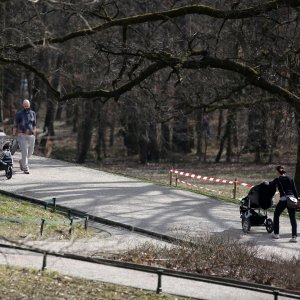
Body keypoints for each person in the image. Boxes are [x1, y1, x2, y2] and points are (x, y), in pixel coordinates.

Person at [269, 165, 298, 242]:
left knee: (276, 214)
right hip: (291, 199)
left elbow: (270, 185)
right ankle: (294, 236)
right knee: (292, 218)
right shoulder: (290, 178)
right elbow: (294, 190)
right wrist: (297, 200)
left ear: (278, 171)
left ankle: (276, 234)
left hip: (283, 200)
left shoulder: (277, 179)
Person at [12, 99, 36, 174]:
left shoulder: (33, 113)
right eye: (25, 106)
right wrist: (13, 135)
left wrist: (34, 133)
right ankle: (25, 168)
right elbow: (15, 125)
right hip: (22, 135)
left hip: (31, 136)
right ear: (23, 105)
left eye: (27, 106)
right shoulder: (19, 114)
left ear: (29, 105)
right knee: (25, 152)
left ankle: (22, 161)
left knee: (31, 152)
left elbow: (34, 124)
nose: (26, 107)